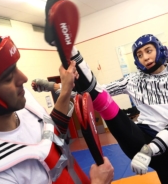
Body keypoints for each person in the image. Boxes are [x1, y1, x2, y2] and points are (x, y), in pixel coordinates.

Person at [0, 28, 114, 184]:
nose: (23, 78)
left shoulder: (23, 101)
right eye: (8, 77)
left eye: (16, 67)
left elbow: (51, 135)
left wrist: (66, 90)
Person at [56, 35, 168, 184]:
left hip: (161, 143)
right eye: (139, 55)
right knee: (100, 98)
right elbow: (96, 91)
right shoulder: (132, 80)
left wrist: (150, 149)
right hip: (142, 139)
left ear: (159, 49)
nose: (145, 58)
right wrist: (60, 88)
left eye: (148, 51)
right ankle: (69, 47)